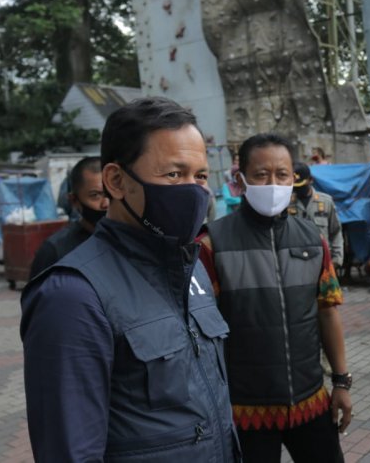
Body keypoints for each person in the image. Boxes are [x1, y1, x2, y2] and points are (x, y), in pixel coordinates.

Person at [20, 98, 239, 462]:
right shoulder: (73, 296)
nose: (193, 190)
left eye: (200, 176)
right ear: (117, 181)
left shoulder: (191, 266)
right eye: (173, 174)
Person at [198, 133, 351, 463]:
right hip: (243, 411)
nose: (273, 183)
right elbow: (201, 335)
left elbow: (328, 313)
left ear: (293, 178)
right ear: (241, 180)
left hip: (311, 402)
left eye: (281, 174)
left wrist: (341, 381)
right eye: (261, 174)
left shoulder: (314, 241)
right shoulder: (212, 245)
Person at [29, 157, 109, 279]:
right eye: (95, 195)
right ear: (74, 201)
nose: (106, 203)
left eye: (111, 193)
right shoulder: (56, 250)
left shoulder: (133, 241)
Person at [288, 162, 344, 269]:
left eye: (302, 185)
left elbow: (336, 232)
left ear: (311, 180)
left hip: (323, 262)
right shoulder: (286, 203)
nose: (298, 189)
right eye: (295, 186)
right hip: (296, 262)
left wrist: (336, 260)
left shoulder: (326, 202)